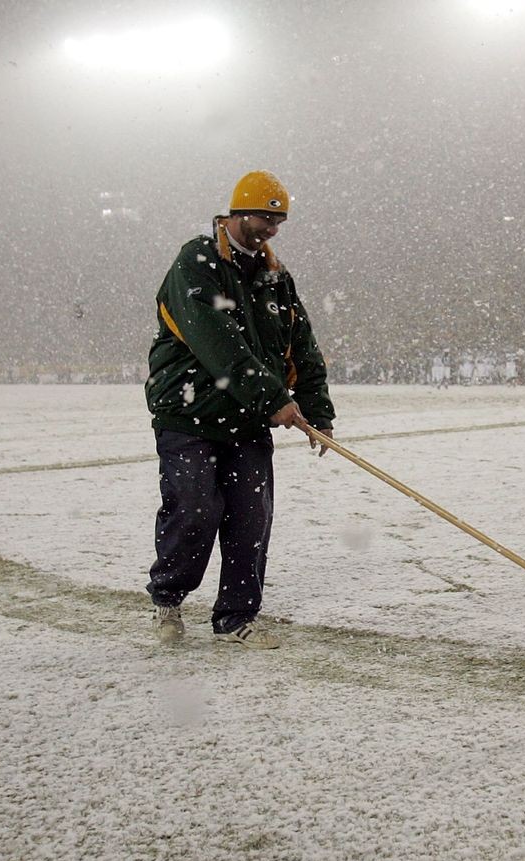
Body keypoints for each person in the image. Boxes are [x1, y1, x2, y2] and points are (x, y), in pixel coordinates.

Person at [144, 170, 335, 650]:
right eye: (265, 218)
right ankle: (168, 600)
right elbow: (216, 341)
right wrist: (274, 399)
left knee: (251, 518)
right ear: (237, 211)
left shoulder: (276, 276)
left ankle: (235, 617)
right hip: (189, 415)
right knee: (194, 509)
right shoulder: (197, 261)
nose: (272, 228)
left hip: (248, 420)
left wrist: (317, 411)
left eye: (279, 220)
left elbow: (301, 345)